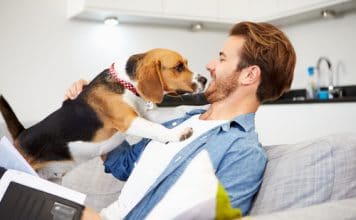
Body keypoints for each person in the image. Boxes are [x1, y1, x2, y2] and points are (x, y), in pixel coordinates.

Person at [66, 21, 296, 219]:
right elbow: (123, 164)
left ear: (249, 75)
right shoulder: (182, 121)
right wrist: (98, 111)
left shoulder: (243, 152)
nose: (209, 65)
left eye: (222, 59)